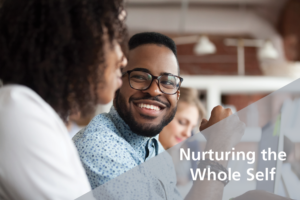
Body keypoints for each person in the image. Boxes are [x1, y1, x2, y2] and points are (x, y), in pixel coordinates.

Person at [73, 32, 245, 200]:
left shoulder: (157, 153)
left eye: (168, 81)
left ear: (177, 93)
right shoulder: (99, 147)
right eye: (140, 77)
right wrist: (219, 148)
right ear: (118, 82)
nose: (154, 90)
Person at [0, 0, 127, 199]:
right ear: (76, 40)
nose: (123, 58)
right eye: (114, 39)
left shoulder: (37, 115)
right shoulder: (19, 110)